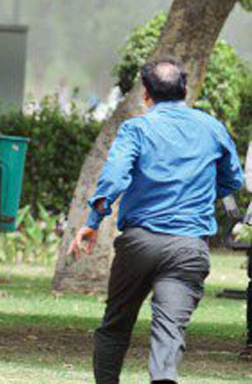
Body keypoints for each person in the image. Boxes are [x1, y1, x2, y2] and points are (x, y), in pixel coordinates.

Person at [69, 57, 244, 383]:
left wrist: (93, 220)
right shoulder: (211, 128)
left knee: (115, 326)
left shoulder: (136, 128)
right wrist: (201, 191)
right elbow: (232, 179)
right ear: (185, 89)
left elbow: (114, 178)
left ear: (146, 93)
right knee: (169, 334)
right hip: (188, 248)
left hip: (139, 244)